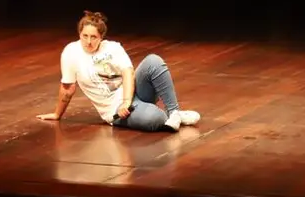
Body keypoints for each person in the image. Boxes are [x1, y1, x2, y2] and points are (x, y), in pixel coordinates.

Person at [36, 10, 200, 132]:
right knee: (154, 119)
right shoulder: (71, 52)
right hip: (115, 110)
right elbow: (67, 88)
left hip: (133, 93)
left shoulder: (113, 47)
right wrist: (57, 114)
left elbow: (128, 71)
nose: (88, 41)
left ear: (101, 37)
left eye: (93, 37)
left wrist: (126, 100)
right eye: (84, 36)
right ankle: (166, 116)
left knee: (153, 61)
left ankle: (174, 113)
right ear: (79, 34)